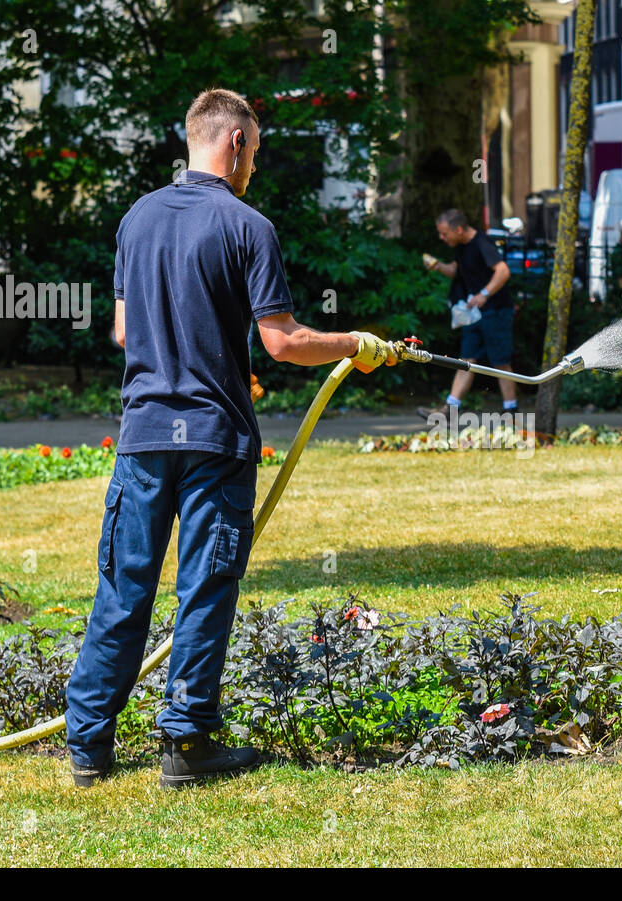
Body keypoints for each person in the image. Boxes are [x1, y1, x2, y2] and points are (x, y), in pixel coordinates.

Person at [65, 88, 395, 789]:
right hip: (215, 441)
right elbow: (283, 343)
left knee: (124, 589)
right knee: (205, 589)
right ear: (236, 141)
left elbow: (124, 333)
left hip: (145, 436)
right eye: (256, 152)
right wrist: (358, 343)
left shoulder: (136, 218)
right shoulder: (248, 225)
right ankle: (185, 746)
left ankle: (88, 747)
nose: (253, 168)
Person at [416, 209, 517, 418]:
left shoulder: (482, 243)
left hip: (496, 310)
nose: (441, 238)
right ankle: (450, 409)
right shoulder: (461, 247)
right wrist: (437, 266)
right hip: (475, 314)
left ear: (459, 229)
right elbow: (455, 271)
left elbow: (503, 271)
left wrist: (484, 294)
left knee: (501, 361)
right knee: (466, 359)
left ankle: (511, 409)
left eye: (444, 233)